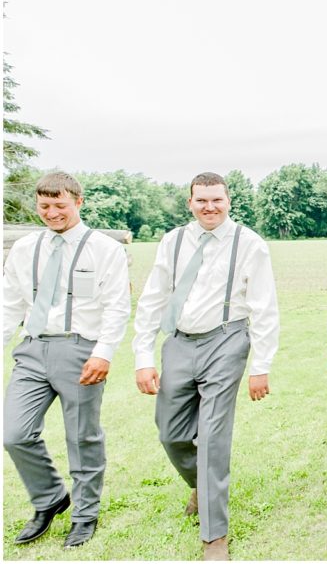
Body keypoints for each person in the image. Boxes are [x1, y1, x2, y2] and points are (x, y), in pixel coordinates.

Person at [132, 171, 280, 560]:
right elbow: (152, 298)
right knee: (169, 432)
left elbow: (265, 307)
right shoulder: (173, 240)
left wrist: (260, 365)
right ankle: (202, 483)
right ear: (190, 202)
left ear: (228, 200)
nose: (209, 207)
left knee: (213, 436)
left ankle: (215, 536)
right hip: (178, 341)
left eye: (217, 199)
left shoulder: (249, 244)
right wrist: (143, 356)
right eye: (202, 200)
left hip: (226, 339)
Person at [3, 172, 131, 548]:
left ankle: (85, 514)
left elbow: (117, 307)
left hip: (81, 350)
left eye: (60, 205)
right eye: (44, 206)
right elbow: (9, 303)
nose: (52, 213)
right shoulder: (25, 249)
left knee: (82, 437)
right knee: (14, 434)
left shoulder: (104, 249)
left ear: (78, 201)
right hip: (32, 348)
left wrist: (103, 353)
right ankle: (50, 498)